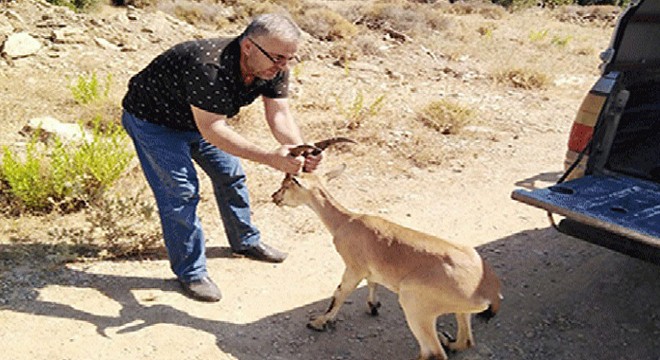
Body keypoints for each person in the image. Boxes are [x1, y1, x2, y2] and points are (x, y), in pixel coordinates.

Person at [120, 13, 321, 302]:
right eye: (277, 57)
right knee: (180, 193)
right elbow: (213, 130)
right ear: (248, 46)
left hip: (197, 120)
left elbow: (279, 113)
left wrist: (299, 149)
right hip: (154, 123)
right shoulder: (208, 65)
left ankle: (245, 242)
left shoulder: (274, 64)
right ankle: (191, 272)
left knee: (231, 174)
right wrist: (269, 157)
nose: (283, 66)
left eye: (289, 59)